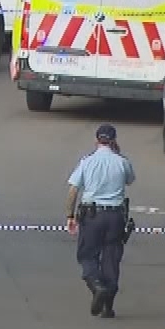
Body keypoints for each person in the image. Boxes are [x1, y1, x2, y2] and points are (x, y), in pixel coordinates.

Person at [65, 123, 136, 318]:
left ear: (96, 140)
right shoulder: (122, 161)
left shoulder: (87, 161)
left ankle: (96, 286)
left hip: (92, 215)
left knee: (87, 256)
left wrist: (70, 216)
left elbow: (73, 190)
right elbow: (130, 180)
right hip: (115, 217)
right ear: (113, 141)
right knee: (111, 260)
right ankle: (107, 307)